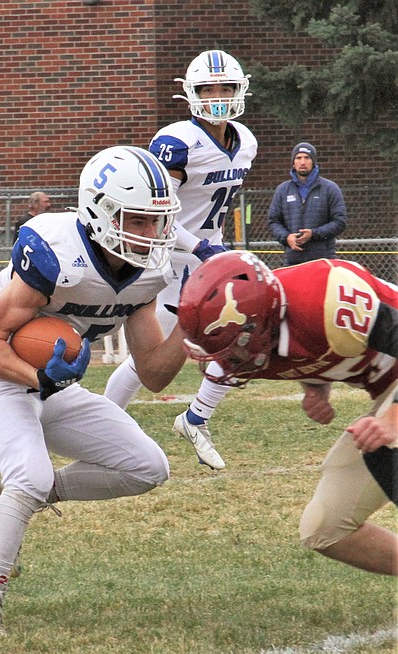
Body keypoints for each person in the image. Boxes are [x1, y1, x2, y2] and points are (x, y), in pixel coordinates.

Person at [0, 146, 188, 635]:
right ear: (102, 212)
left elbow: (153, 372)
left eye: (157, 222)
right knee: (31, 473)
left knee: (149, 467)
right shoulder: (55, 252)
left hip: (56, 383)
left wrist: (195, 329)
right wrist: (41, 379)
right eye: (139, 221)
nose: (152, 235)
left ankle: (16, 498)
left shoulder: (146, 272)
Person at [177, 251, 396, 575]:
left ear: (262, 320)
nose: (228, 360)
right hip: (387, 394)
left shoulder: (326, 299)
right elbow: (314, 351)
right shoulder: (257, 337)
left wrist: (393, 418)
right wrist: (316, 387)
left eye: (235, 346)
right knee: (325, 527)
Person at [103, 49, 258, 471]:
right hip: (171, 255)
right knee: (151, 361)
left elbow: (213, 208)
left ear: (240, 89)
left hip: (209, 255)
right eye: (208, 89)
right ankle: (104, 422)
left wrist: (214, 246)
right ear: (190, 93)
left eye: (225, 87)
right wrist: (200, 247)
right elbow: (160, 213)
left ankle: (196, 417)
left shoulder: (246, 142)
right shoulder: (176, 142)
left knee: (246, 333)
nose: (218, 96)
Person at [267, 143, 348, 266]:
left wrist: (314, 234)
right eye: (298, 158)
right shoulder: (283, 190)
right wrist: (287, 237)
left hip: (323, 262)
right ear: (293, 162)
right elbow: (273, 221)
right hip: (293, 263)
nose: (303, 162)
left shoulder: (330, 188)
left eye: (307, 157)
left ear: (313, 161)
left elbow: (340, 222)